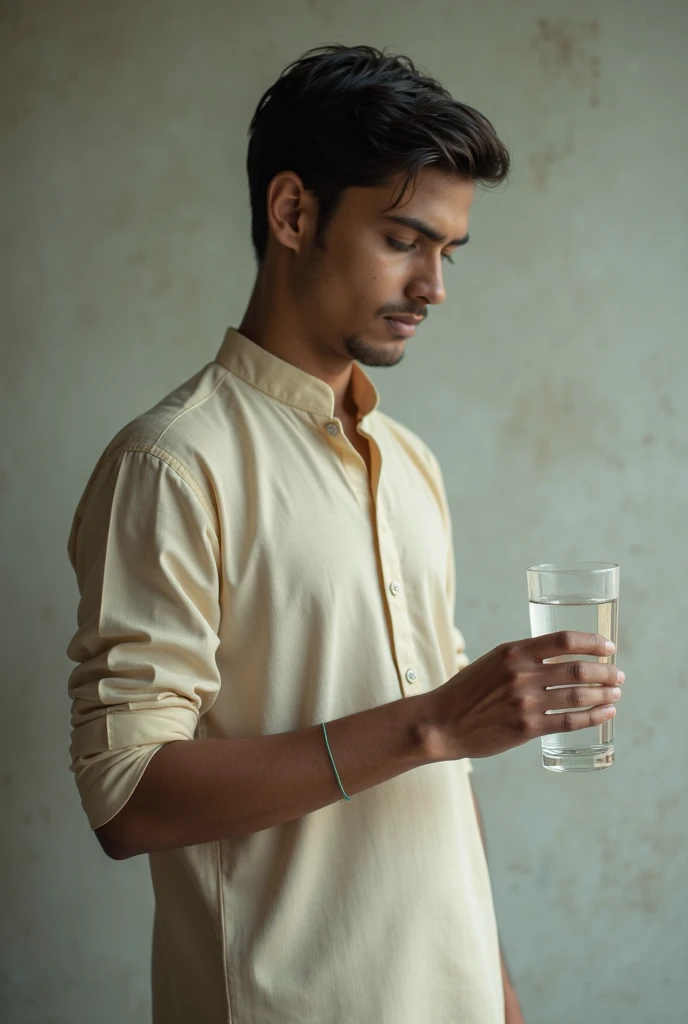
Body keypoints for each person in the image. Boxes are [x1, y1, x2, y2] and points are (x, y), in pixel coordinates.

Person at [66, 44, 624, 1024]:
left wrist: (492, 989)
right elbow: (125, 796)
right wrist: (434, 721)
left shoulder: (412, 465)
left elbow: (438, 767)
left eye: (448, 251)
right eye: (406, 238)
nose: (434, 286)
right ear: (293, 214)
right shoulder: (170, 464)